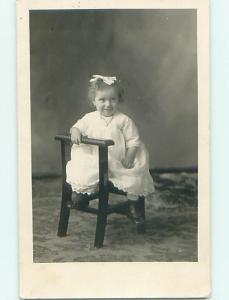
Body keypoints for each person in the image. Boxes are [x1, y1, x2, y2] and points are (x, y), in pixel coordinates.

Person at [66, 75, 155, 226]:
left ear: (118, 100)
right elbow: (77, 127)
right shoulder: (89, 118)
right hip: (95, 159)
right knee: (82, 169)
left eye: (113, 99)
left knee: (133, 177)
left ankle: (133, 205)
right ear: (94, 101)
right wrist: (75, 131)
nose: (108, 104)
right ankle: (82, 195)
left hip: (118, 161)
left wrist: (130, 155)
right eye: (102, 100)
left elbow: (134, 140)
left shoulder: (123, 120)